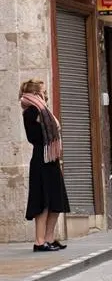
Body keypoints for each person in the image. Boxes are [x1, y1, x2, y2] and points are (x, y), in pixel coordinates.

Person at [20, 79, 70, 252]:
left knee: (56, 201)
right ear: (34, 93)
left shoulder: (43, 110)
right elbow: (33, 137)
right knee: (43, 203)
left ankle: (49, 239)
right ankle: (39, 242)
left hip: (51, 159)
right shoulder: (31, 111)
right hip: (41, 159)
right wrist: (41, 123)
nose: (45, 93)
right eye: (43, 90)